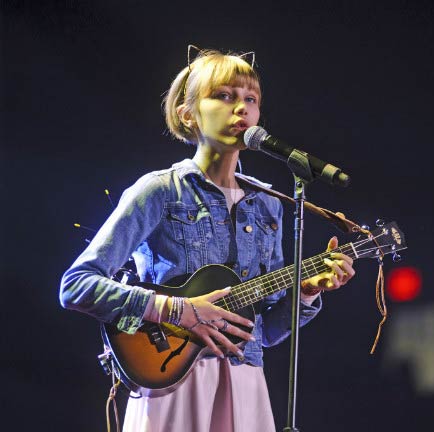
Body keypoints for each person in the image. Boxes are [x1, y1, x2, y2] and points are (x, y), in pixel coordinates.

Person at [59, 47, 356, 432]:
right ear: (189, 114)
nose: (241, 109)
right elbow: (76, 286)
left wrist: (307, 293)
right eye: (224, 96)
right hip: (171, 381)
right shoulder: (160, 190)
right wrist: (176, 310)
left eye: (250, 99)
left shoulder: (269, 203)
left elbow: (264, 333)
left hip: (245, 384)